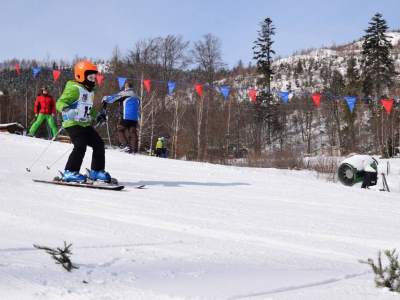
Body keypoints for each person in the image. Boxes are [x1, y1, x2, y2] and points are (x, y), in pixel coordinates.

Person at [55, 60, 110, 183]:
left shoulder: (89, 92)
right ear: (81, 76)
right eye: (90, 77)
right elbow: (60, 102)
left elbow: (87, 110)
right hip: (73, 123)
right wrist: (67, 109)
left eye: (94, 78)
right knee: (80, 145)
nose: (92, 80)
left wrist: (98, 116)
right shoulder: (74, 89)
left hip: (84, 124)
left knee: (99, 144)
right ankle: (69, 172)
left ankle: (96, 171)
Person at [102, 82, 140, 154]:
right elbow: (138, 106)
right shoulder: (137, 96)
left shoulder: (125, 94)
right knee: (133, 132)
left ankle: (125, 145)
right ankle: (134, 150)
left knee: (120, 130)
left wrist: (105, 99)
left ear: (126, 87)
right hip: (135, 118)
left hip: (126, 116)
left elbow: (114, 97)